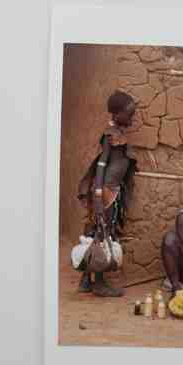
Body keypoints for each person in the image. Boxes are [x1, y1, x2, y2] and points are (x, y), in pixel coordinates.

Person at [76, 91, 138, 297]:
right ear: (117, 114)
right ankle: (100, 283)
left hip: (109, 191)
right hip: (106, 193)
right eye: (129, 114)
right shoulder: (110, 135)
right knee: (103, 234)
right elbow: (101, 165)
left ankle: (86, 280)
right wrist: (98, 196)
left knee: (97, 233)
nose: (132, 118)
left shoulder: (117, 133)